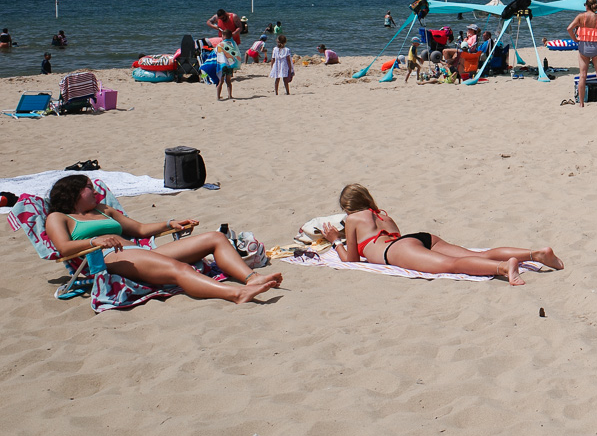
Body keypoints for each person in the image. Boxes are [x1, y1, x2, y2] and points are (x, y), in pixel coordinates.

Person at [44, 174, 281, 304]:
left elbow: (139, 229)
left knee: (215, 237)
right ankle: (235, 294)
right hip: (110, 260)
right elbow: (64, 248)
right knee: (178, 268)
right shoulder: (59, 217)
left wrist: (170, 224)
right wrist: (95, 242)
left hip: (139, 254)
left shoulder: (104, 210)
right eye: (89, 188)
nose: (95, 192)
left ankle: (252, 279)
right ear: (74, 192)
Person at [321, 184, 563, 285]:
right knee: (480, 253)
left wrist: (335, 242)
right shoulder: (384, 215)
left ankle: (504, 268)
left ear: (348, 208)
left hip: (395, 250)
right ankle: (535, 253)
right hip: (418, 238)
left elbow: (351, 261)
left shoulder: (353, 219)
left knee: (453, 265)